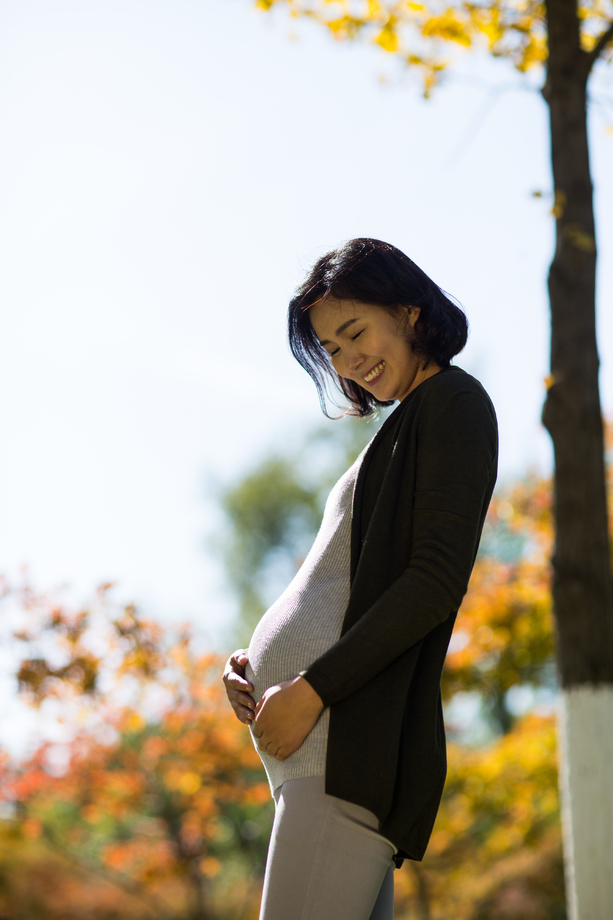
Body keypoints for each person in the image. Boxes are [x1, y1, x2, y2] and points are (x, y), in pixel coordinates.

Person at [223, 238, 498, 920]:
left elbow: (432, 581)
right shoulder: (402, 424)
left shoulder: (454, 401)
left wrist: (311, 687)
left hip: (342, 744)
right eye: (332, 349)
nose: (349, 361)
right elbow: (344, 582)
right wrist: (256, 666)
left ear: (408, 312)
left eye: (355, 332)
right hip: (320, 751)